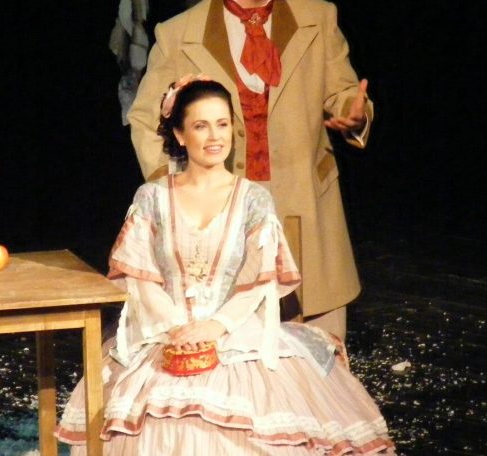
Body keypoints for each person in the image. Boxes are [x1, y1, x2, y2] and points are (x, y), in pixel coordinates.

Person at [56, 79, 393, 455]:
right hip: (166, 332)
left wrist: (215, 327)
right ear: (180, 135)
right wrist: (178, 329)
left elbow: (259, 281)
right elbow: (140, 277)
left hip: (234, 333)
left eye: (222, 123)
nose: (215, 136)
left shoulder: (253, 199)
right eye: (201, 125)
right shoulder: (153, 196)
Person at [127, 0, 372, 341]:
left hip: (302, 203)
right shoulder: (179, 33)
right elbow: (145, 119)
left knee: (315, 347)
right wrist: (175, 191)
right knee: (227, 339)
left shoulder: (317, 17)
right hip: (225, 211)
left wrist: (353, 114)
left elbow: (342, 92)